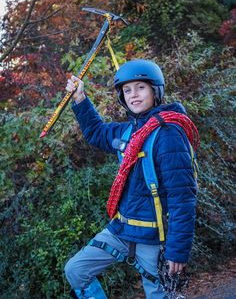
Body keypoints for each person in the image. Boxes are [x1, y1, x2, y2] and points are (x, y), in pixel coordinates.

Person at [64, 59, 198, 299]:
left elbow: (182, 197)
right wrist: (80, 98)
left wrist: (177, 251)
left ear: (155, 91)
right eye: (127, 90)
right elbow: (96, 133)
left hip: (154, 239)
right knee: (76, 270)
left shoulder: (169, 134)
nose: (133, 95)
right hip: (121, 230)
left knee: (159, 295)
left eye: (140, 87)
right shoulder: (128, 131)